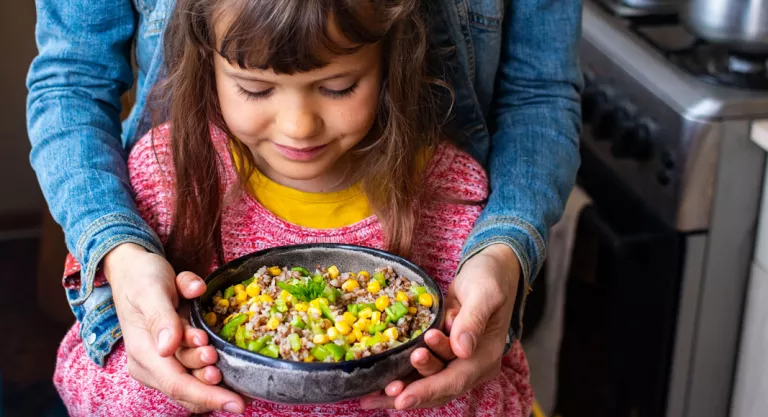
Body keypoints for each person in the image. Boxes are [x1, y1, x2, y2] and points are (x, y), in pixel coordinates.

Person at [27, 0, 581, 415]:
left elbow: (501, 392)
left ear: (393, 61)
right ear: (206, 65)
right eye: (254, 88)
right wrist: (165, 378)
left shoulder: (452, 191)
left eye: (339, 87)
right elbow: (86, 379)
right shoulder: (164, 178)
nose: (298, 126)